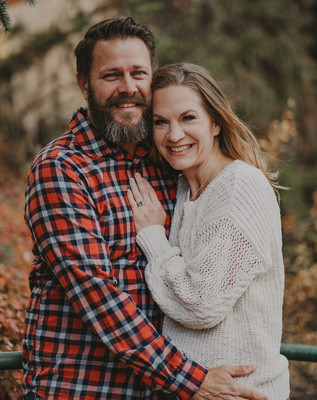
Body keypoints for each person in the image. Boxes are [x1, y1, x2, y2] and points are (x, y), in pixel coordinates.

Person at [23, 17, 268, 400]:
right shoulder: (62, 168)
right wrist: (192, 379)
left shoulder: (167, 164)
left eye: (138, 73)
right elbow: (96, 294)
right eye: (111, 75)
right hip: (81, 387)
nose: (128, 88)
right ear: (84, 83)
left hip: (160, 390)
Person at [128, 63, 290, 400]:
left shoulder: (237, 187)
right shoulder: (186, 190)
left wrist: (154, 239)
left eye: (188, 118)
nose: (174, 135)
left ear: (215, 122)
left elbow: (202, 304)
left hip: (243, 392)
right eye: (161, 122)